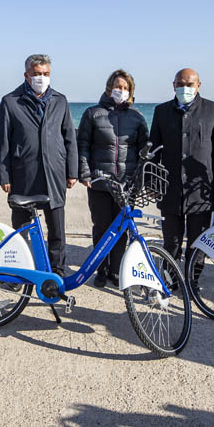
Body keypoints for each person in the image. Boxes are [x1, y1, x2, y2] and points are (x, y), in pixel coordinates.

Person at [0, 54, 78, 274]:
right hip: (23, 174)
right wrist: (4, 176)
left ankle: (56, 271)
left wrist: (72, 171)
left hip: (55, 174)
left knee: (57, 229)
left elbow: (69, 137)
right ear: (26, 75)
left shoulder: (60, 100)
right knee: (20, 228)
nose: (41, 77)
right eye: (37, 74)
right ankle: (18, 268)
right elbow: (1, 142)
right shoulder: (11, 101)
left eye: (46, 74)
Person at [148, 68, 214, 271]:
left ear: (198, 85)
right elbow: (153, 151)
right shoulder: (161, 111)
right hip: (170, 188)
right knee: (171, 241)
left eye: (190, 84)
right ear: (174, 85)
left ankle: (193, 280)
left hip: (201, 189)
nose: (185, 88)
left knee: (198, 241)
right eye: (181, 84)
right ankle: (171, 277)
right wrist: (151, 182)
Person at [78, 69, 148, 287]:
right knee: (101, 227)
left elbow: (144, 149)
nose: (121, 91)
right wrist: (85, 173)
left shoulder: (137, 117)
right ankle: (101, 269)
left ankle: (116, 270)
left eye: (126, 88)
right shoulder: (93, 114)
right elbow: (83, 147)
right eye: (118, 87)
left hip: (127, 184)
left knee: (122, 228)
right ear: (109, 88)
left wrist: (140, 178)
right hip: (99, 181)